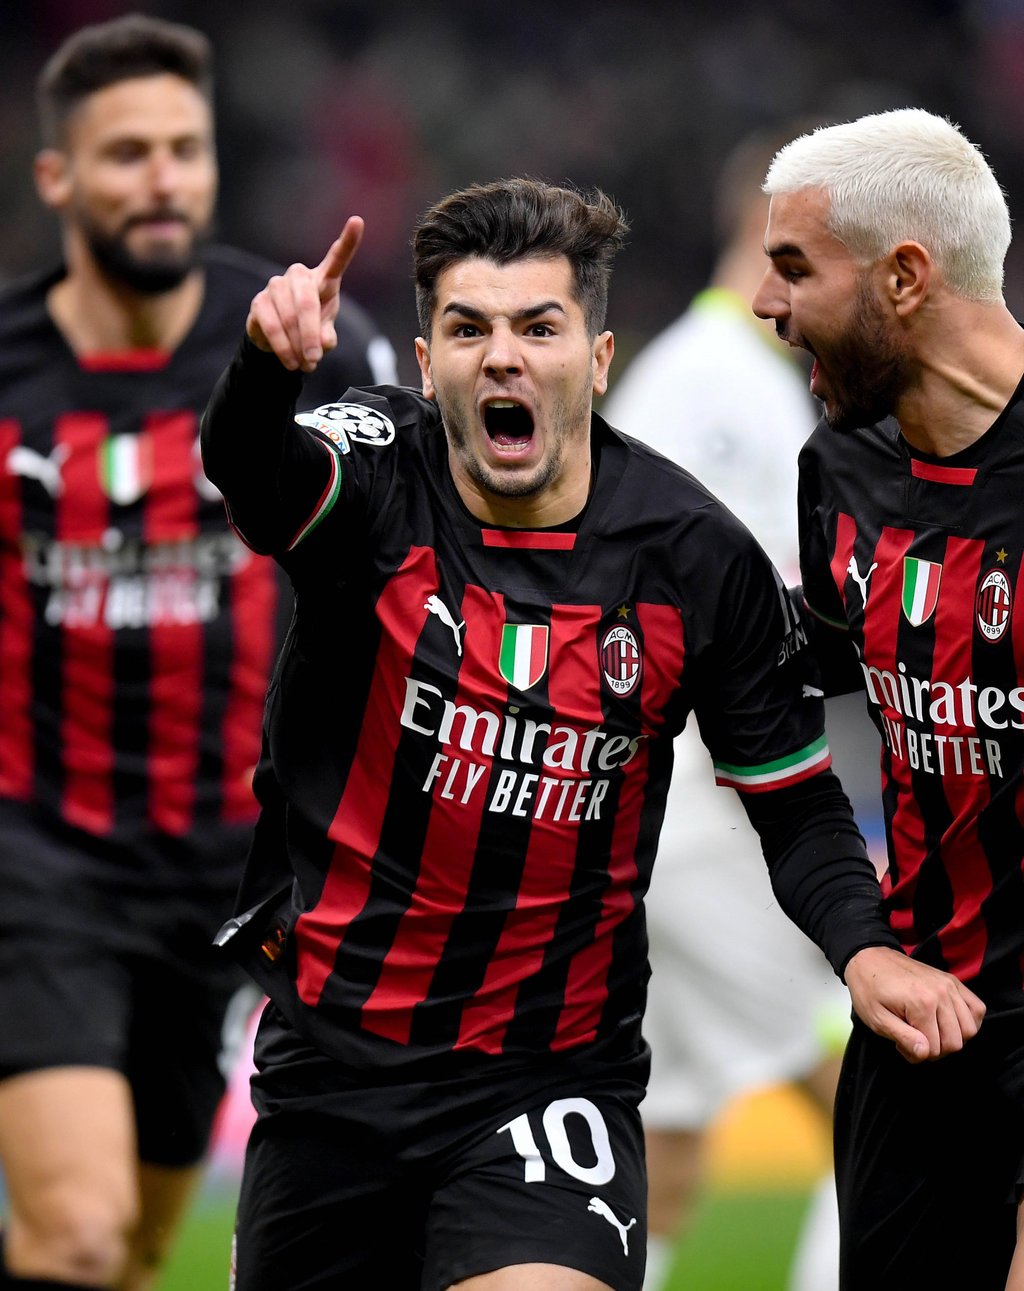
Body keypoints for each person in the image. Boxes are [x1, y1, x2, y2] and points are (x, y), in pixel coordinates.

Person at [200, 175, 981, 1291]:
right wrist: (265, 371)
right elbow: (256, 472)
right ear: (425, 366)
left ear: (598, 359)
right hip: (331, 1070)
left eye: (539, 326)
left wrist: (860, 947)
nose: (503, 356)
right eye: (467, 328)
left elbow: (794, 796)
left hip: (545, 1080)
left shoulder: (693, 559)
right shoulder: (372, 469)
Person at [0, 14, 396, 1291]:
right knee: (77, 1225)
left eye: (185, 148)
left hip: (220, 881)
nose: (162, 177)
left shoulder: (302, 337)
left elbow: (392, 559)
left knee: (125, 1255)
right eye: (126, 154)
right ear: (58, 177)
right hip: (37, 865)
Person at [752, 106, 1024, 1290]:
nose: (768, 303)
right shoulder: (841, 466)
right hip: (919, 1032)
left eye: (794, 267)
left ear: (904, 276)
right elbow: (802, 665)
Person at [603, 126, 863, 1291]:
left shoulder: (748, 385)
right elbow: (670, 613)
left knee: (667, 1138)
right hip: (701, 823)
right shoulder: (707, 389)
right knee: (886, 1088)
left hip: (689, 821)